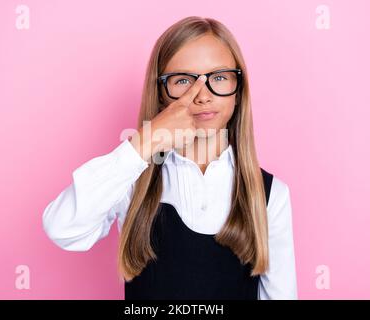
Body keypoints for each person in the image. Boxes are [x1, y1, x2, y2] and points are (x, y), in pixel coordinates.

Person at [42, 16, 297, 300]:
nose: (202, 96)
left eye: (220, 77)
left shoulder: (270, 195)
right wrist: (145, 143)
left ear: (238, 90)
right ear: (162, 93)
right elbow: (62, 229)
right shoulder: (131, 180)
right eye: (183, 80)